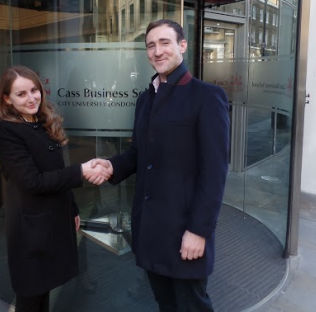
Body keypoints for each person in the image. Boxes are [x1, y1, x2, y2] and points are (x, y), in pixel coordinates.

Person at [89, 19, 230, 311]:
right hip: (151, 228)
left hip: (185, 230)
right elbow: (140, 154)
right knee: (165, 303)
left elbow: (214, 172)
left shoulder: (207, 96)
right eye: (151, 45)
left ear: (182, 45)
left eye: (165, 42)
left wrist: (199, 230)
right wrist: (112, 165)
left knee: (192, 306)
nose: (157, 51)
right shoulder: (145, 99)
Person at [0, 65, 109, 312]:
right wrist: (82, 171)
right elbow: (33, 182)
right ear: (6, 99)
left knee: (44, 290)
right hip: (31, 228)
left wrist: (72, 208)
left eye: (34, 90)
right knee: (31, 295)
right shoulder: (5, 131)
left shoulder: (39, 122)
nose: (31, 98)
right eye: (21, 94)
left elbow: (56, 169)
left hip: (52, 218)